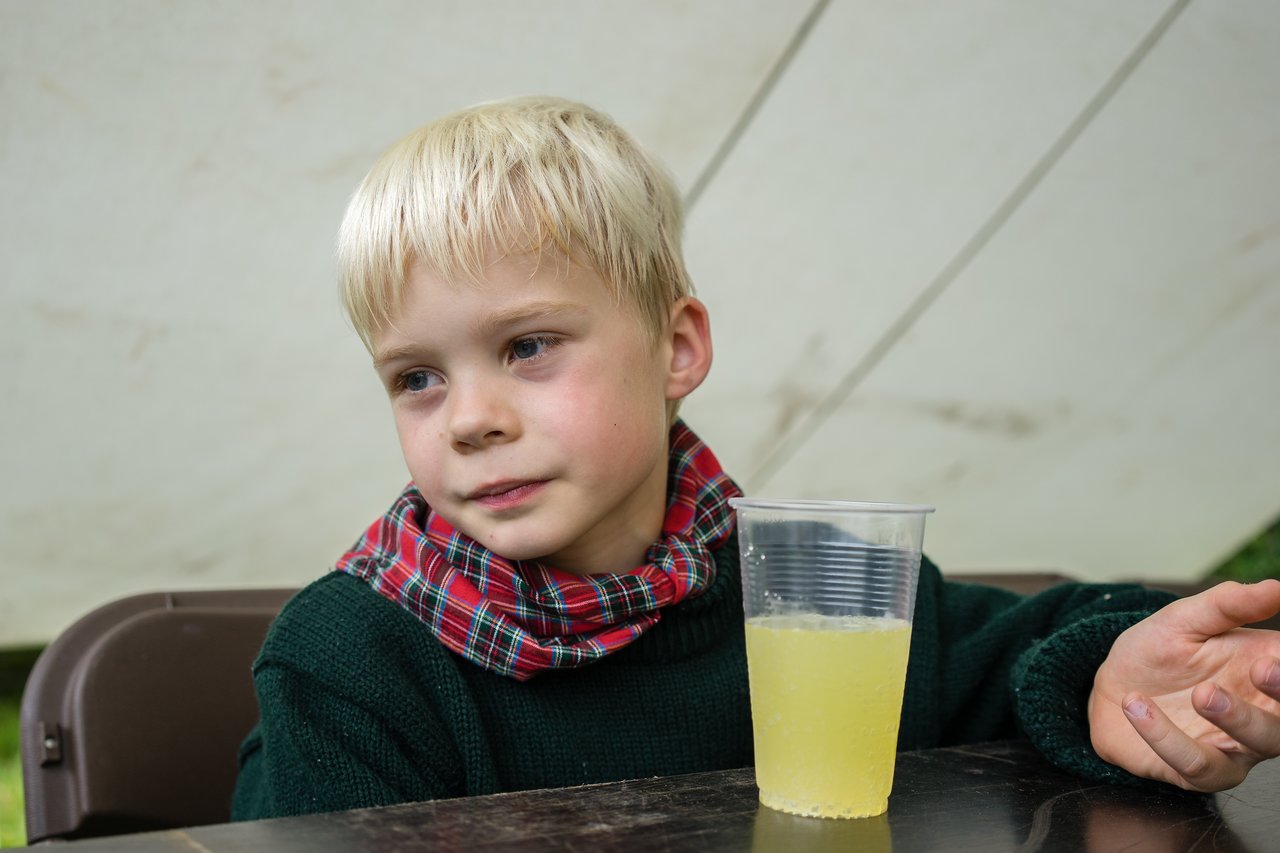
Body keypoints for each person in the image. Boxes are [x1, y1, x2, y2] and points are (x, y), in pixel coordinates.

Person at [231, 96, 1280, 820]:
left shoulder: (821, 590)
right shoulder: (350, 662)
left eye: (526, 345)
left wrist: (1111, 671)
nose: (467, 418)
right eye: (415, 376)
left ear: (676, 347)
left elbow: (1015, 650)